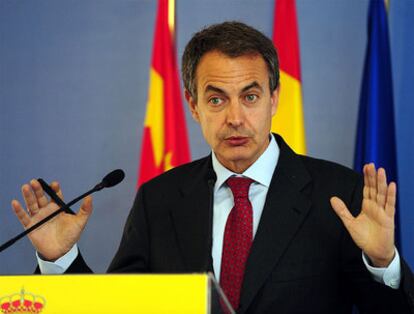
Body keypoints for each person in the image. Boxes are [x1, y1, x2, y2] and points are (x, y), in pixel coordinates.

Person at [12, 21, 414, 313]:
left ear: (274, 99)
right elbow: (120, 306)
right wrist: (61, 261)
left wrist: (382, 265)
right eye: (217, 99)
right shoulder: (160, 199)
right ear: (193, 105)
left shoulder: (339, 194)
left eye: (250, 96)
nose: (235, 117)